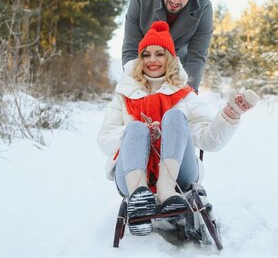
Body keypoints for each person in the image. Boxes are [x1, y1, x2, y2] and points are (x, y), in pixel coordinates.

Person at [99, 21, 258, 236]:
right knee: (136, 127)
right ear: (140, 59)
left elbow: (210, 141)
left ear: (170, 59)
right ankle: (140, 198)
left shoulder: (185, 95)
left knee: (174, 116)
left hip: (179, 178)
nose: (152, 60)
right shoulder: (123, 95)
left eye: (159, 54)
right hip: (130, 176)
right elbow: (105, 141)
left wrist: (229, 116)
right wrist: (140, 132)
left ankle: (166, 190)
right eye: (146, 55)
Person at [121, 0, 213, 92]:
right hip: (146, 65)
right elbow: (131, 48)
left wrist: (188, 91)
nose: (175, 0)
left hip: (178, 68)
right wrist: (136, 88)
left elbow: (197, 55)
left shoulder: (204, 8)